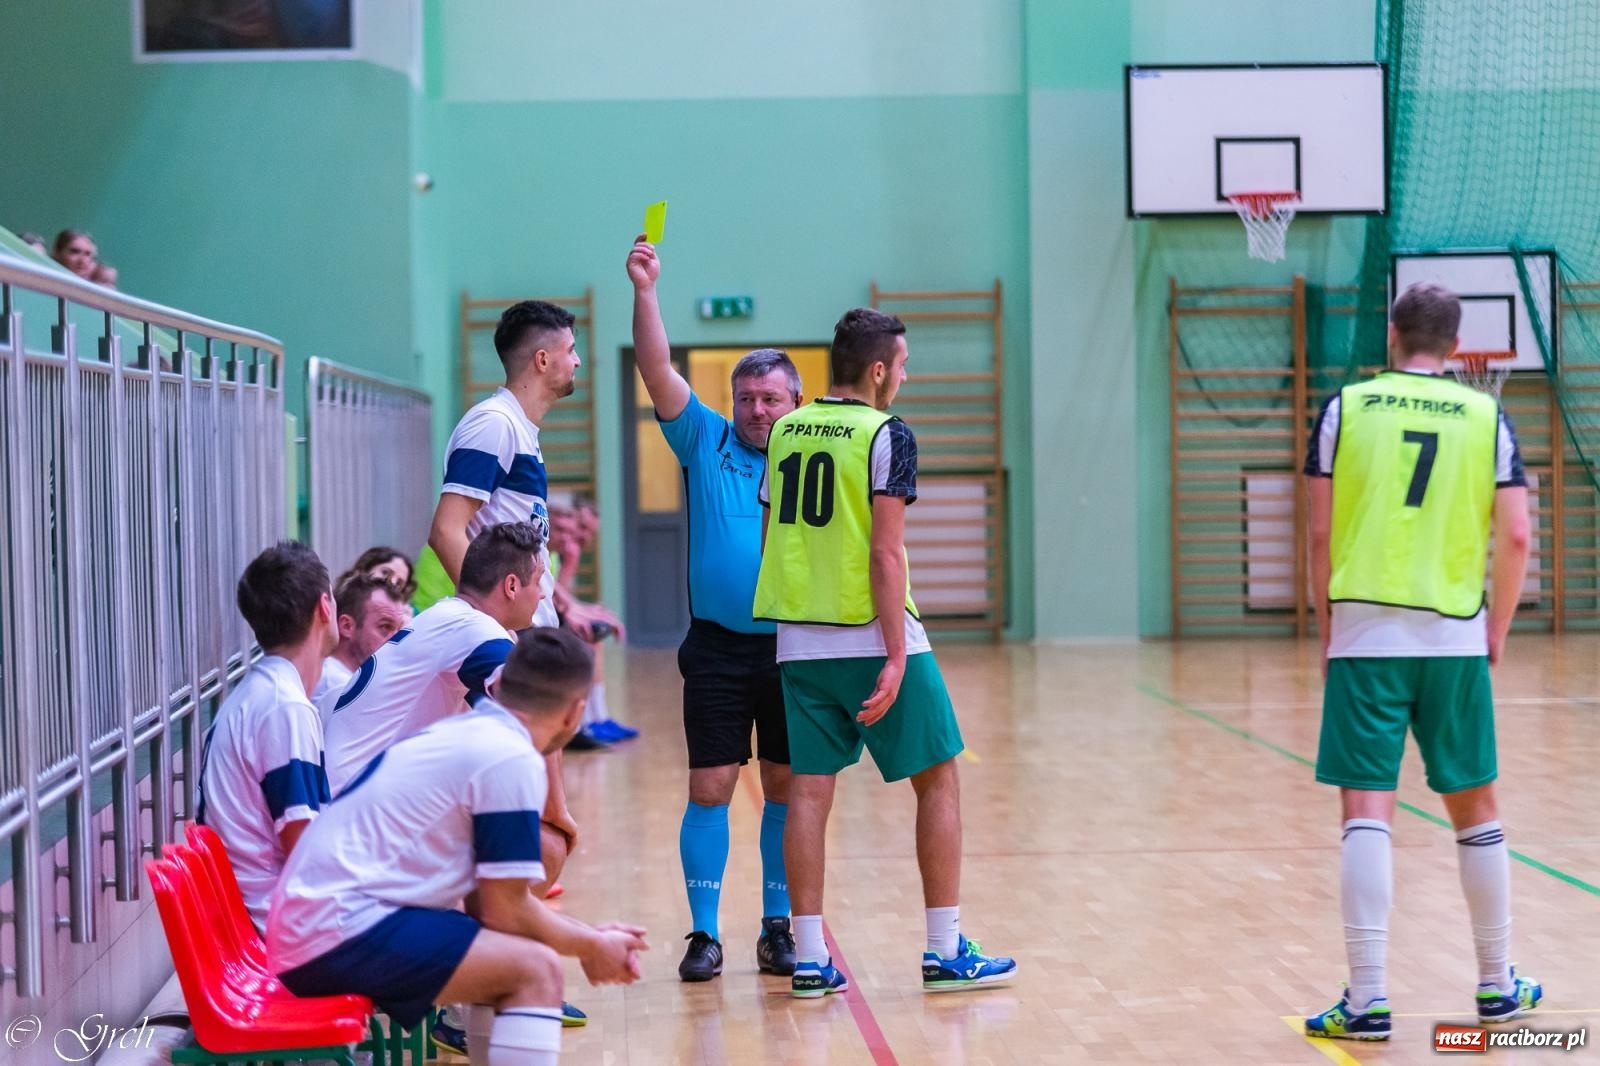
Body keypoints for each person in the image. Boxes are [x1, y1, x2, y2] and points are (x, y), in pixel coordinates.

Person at [752, 307, 1016, 997]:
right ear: (877, 370)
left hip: (798, 639)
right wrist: (896, 656)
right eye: (902, 365)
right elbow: (884, 551)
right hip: (870, 631)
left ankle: (810, 960)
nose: (905, 377)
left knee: (809, 792)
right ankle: (945, 949)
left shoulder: (786, 429)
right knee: (939, 779)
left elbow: (772, 533)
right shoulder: (885, 433)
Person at [1302, 282, 1539, 1041]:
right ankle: (1497, 986)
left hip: (1365, 635)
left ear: (1392, 334)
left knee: (1366, 811)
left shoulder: (1346, 409)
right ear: (1457, 345)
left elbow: (1318, 534)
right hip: (1454, 639)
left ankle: (1368, 1001)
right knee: (1476, 809)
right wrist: (1496, 629)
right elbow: (1517, 536)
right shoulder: (1485, 416)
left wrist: (1327, 627)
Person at [268, 629, 648, 1066]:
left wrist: (592, 939)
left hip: (311, 924)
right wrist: (592, 945)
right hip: (330, 931)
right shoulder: (510, 757)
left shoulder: (473, 734)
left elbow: (491, 911)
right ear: (576, 713)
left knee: (506, 949)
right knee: (537, 971)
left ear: (499, 685)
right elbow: (507, 909)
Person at [627, 237, 800, 982]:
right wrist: (646, 290)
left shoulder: (811, 460)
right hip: (719, 649)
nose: (757, 409)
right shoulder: (705, 440)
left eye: (771, 399)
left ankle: (777, 927)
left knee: (786, 788)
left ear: (794, 404)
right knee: (711, 788)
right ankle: (704, 933)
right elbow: (656, 370)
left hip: (794, 648)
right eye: (747, 398)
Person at [196, 541, 336, 929]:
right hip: (279, 927)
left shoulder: (262, 694)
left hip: (261, 916)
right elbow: (305, 854)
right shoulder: (284, 708)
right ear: (325, 607)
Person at [311, 573, 409, 709]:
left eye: (399, 629)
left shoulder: (344, 680)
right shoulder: (340, 687)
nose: (396, 640)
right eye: (385, 627)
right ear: (347, 626)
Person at [347, 545, 417, 608]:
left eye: (398, 583)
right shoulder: (341, 601)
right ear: (365, 569)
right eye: (385, 573)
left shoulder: (411, 616)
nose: (392, 583)